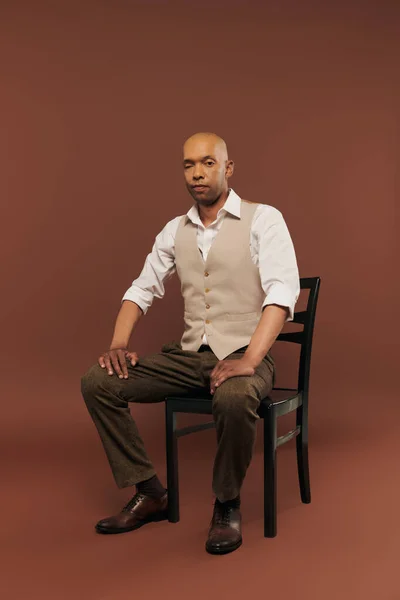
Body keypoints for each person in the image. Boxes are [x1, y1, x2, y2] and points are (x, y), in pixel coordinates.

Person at [81, 132, 300, 555]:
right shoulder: (173, 230)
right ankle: (151, 493)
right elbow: (141, 289)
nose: (197, 173)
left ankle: (226, 504)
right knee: (98, 381)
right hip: (188, 357)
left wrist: (251, 359)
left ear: (228, 168)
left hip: (243, 353)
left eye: (208, 163)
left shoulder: (264, 219)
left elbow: (281, 294)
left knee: (235, 399)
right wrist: (117, 342)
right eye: (188, 164)